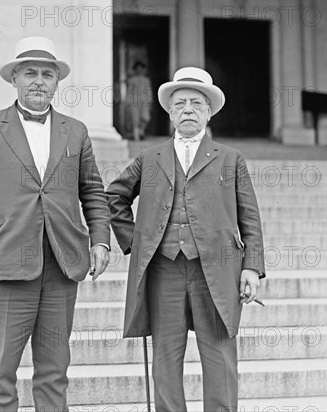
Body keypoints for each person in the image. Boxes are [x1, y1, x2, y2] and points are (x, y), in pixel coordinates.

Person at [0, 36, 111, 412]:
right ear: (15, 79)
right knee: (0, 371)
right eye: (30, 73)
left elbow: (92, 190)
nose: (39, 81)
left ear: (57, 82)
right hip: (5, 263)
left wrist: (101, 240)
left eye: (47, 74)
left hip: (61, 264)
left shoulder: (77, 131)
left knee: (55, 371)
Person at [106, 67, 266, 411]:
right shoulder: (150, 158)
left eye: (196, 103)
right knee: (166, 355)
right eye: (180, 104)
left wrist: (251, 267)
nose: (188, 110)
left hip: (218, 269)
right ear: (170, 112)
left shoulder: (230, 158)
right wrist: (136, 242)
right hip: (165, 270)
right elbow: (113, 198)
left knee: (220, 356)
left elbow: (249, 216)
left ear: (209, 111)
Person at [126, 61, 153, 140]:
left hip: (144, 100)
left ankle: (141, 131)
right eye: (137, 69)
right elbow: (130, 91)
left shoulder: (146, 80)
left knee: (146, 118)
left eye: (141, 69)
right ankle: (136, 137)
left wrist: (150, 100)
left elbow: (148, 90)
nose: (139, 71)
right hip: (134, 100)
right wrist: (128, 101)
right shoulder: (132, 80)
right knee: (135, 119)